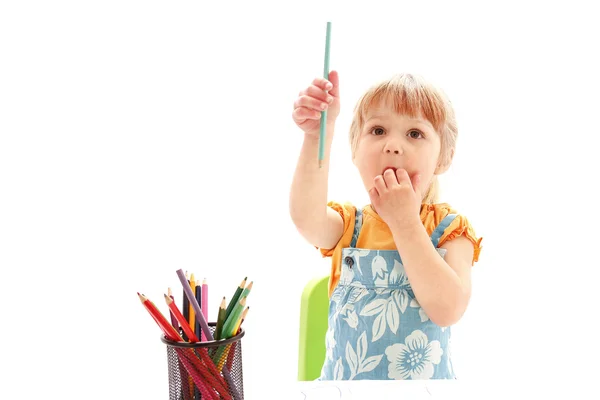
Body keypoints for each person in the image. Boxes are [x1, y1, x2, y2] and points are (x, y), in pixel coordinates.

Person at [289, 70, 483, 380]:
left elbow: (448, 310)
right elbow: (305, 216)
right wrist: (317, 136)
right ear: (355, 149)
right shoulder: (349, 225)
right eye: (378, 130)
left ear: (444, 158)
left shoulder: (450, 229)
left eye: (415, 134)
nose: (393, 145)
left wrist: (405, 222)